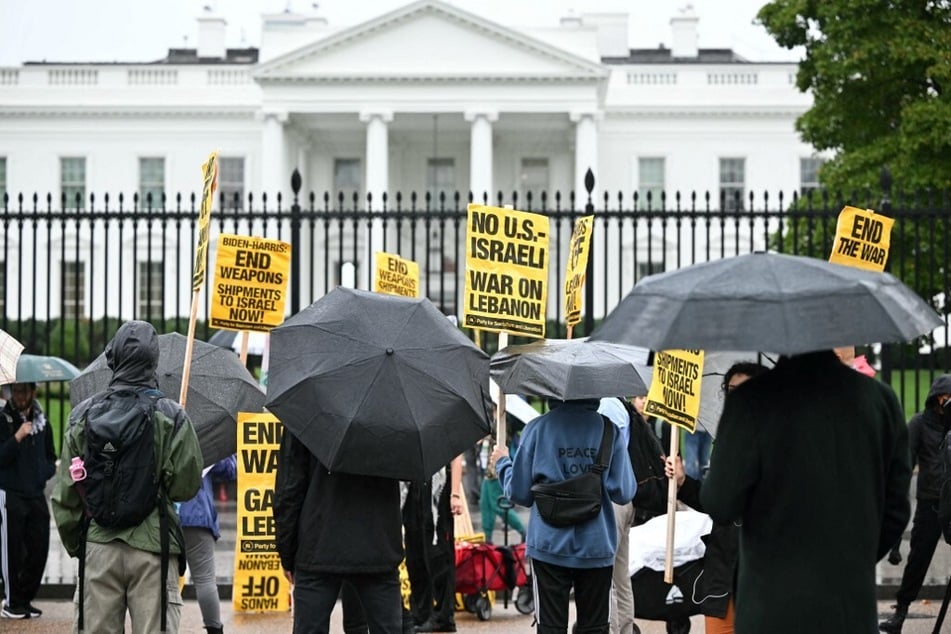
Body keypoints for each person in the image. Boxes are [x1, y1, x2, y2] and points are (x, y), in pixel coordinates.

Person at [700, 350, 911, 632]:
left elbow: (720, 502)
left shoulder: (750, 400)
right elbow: (896, 510)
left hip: (770, 607)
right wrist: (852, 558)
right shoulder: (880, 399)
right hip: (849, 606)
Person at [51, 320, 203, 633]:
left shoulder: (82, 415)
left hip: (98, 544)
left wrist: (83, 545)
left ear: (114, 358)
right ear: (154, 362)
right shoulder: (170, 415)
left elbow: (65, 495)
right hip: (153, 547)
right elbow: (185, 487)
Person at [491, 398, 636, 634]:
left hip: (549, 546)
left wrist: (503, 464)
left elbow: (520, 493)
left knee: (550, 628)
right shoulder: (609, 430)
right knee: (595, 628)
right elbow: (625, 492)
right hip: (596, 547)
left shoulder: (537, 429)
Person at [664, 361, 769, 634]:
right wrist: (684, 481)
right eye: (731, 390)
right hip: (725, 567)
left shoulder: (783, 439)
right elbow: (713, 501)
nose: (737, 397)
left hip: (766, 571)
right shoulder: (726, 439)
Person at [274, 428, 404, 634]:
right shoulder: (393, 409)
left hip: (318, 541)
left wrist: (287, 551)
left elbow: (289, 487)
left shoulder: (305, 408)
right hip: (378, 542)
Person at [879, 374, 951, 633]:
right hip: (930, 501)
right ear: (936, 397)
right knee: (918, 559)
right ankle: (901, 612)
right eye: (945, 397)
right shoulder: (919, 424)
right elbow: (905, 465)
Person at [0, 381, 56, 619]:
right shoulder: (3, 419)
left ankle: (25, 597)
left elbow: (51, 457)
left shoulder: (43, 422)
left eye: (25, 391)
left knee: (39, 547)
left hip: (35, 494)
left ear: (33, 392)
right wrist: (17, 437)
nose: (21, 396)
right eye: (17, 391)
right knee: (12, 551)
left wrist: (42, 473)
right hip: (10, 493)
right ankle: (12, 602)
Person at [403, 455, 463, 633]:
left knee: (438, 557)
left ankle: (443, 616)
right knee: (415, 556)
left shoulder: (448, 426)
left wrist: (455, 493)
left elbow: (457, 456)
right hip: (412, 487)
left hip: (438, 489)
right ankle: (421, 613)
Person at [178, 454, 237, 634]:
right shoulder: (207, 434)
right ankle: (214, 629)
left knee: (166, 582)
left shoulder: (159, 427)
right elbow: (229, 470)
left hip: (165, 517)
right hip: (197, 514)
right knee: (205, 580)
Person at [597, 396, 636, 634]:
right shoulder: (617, 404)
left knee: (605, 575)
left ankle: (611, 629)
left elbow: (605, 453)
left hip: (611, 497)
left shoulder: (608, 405)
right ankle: (625, 629)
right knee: (620, 576)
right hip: (622, 496)